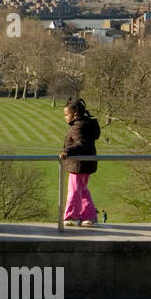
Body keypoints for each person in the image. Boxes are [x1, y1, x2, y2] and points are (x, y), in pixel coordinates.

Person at [59, 97, 101, 227]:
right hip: (85, 164)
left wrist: (67, 151)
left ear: (75, 115)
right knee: (82, 190)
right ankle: (89, 216)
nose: (65, 118)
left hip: (79, 164)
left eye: (67, 115)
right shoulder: (85, 125)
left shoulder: (79, 127)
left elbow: (81, 144)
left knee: (74, 190)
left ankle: (71, 216)